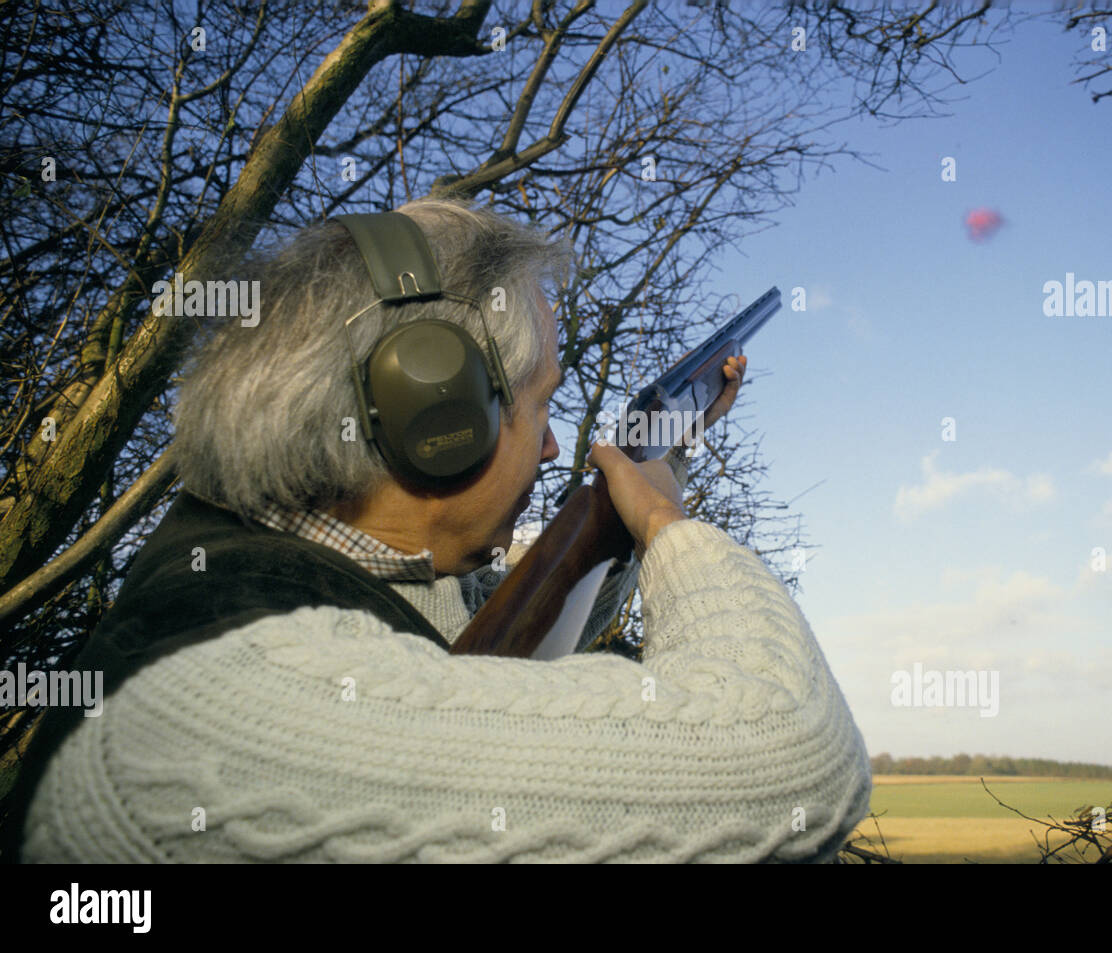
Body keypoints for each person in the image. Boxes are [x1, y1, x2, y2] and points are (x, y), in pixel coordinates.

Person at [11, 198, 870, 863]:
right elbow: (794, 755)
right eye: (541, 404)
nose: (551, 441)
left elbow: (517, 648)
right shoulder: (208, 711)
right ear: (436, 413)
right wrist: (670, 529)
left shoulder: (307, 590)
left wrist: (655, 472)